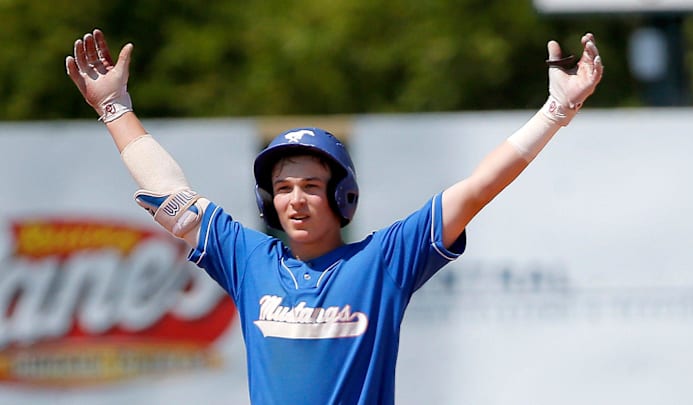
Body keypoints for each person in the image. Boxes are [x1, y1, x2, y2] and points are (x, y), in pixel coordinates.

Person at [65, 28, 602, 404]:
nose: (294, 199)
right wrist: (114, 109)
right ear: (267, 202)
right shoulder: (250, 259)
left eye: (310, 187)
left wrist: (555, 112)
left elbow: (479, 187)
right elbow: (168, 191)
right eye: (281, 188)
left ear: (342, 197)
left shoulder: (383, 261)